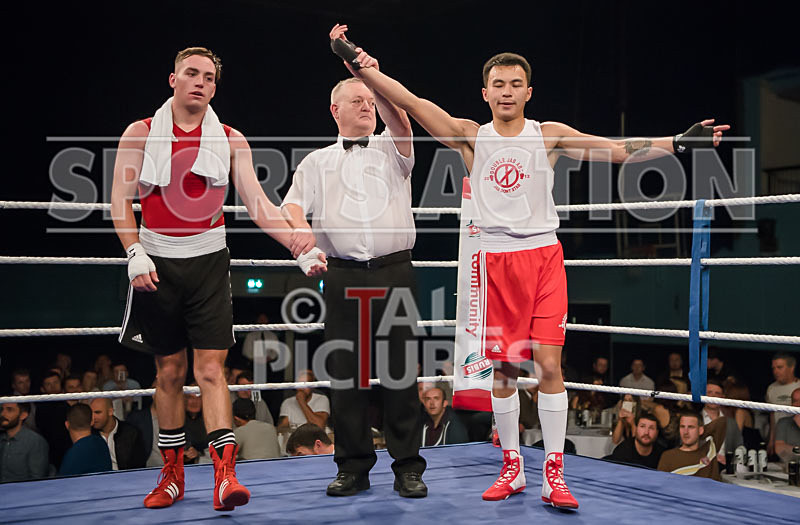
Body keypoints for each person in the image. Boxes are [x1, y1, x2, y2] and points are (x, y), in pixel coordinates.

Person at [329, 24, 728, 506]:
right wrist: (357, 63)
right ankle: (513, 467)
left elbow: (618, 151)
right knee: (504, 372)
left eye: (515, 84)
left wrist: (679, 143)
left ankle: (554, 474)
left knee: (550, 365)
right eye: (498, 84)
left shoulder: (549, 136)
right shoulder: (469, 137)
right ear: (485, 92)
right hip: (497, 263)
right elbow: (410, 101)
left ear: (528, 91)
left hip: (543, 259)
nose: (507, 91)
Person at [110, 46, 326, 511]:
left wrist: (297, 247)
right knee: (168, 372)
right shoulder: (141, 133)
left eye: (208, 77)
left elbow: (259, 207)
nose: (200, 82)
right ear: (173, 79)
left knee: (211, 371)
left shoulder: (230, 139)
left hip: (208, 259)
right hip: (157, 259)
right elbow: (119, 203)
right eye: (191, 73)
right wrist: (134, 251)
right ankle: (172, 477)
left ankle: (225, 476)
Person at [283, 29, 426, 498]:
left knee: (401, 373)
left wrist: (369, 75)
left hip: (395, 270)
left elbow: (401, 120)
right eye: (357, 100)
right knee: (346, 377)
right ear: (335, 110)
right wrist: (302, 243)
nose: (367, 105)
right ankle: (352, 467)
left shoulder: (394, 147)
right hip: (342, 274)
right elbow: (290, 209)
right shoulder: (316, 162)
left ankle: (408, 466)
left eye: (371, 100)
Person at [657, 411, 727, 481]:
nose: (685, 432)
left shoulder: (709, 450)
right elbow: (662, 485)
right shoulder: (668, 456)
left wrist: (700, 434)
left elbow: (723, 422)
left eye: (691, 427)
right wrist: (696, 433)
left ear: (700, 430)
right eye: (682, 427)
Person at [90, 398, 147, 470]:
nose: (93, 417)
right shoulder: (89, 434)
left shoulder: (131, 433)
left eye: (97, 412)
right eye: (91, 413)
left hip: (126, 478)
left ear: (110, 412)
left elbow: (138, 466)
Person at [0, 402, 49, 482]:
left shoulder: (35, 441)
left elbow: (37, 479)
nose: (3, 414)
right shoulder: (2, 438)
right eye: (2, 409)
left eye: (9, 410)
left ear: (23, 415)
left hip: (22, 492)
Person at [59, 404, 112, 476]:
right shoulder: (101, 443)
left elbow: (64, 484)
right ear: (92, 421)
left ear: (67, 425)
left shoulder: (72, 456)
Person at [701, 379, 742, 466]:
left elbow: (740, 447)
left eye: (717, 393)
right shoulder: (695, 420)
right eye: (709, 392)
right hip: (700, 468)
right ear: (703, 395)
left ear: (722, 397)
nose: (713, 396)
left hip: (725, 467)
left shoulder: (731, 422)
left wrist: (731, 461)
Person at [765, 353, 800, 455]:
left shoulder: (798, 386)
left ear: (792, 367)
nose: (776, 371)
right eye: (773, 368)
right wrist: (771, 439)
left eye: (780, 367)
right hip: (779, 435)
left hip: (794, 435)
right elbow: (772, 415)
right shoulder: (771, 388)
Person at [774, 387, 800, 461]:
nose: (798, 404)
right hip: (788, 467)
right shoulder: (783, 423)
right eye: (795, 401)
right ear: (791, 404)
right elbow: (779, 449)